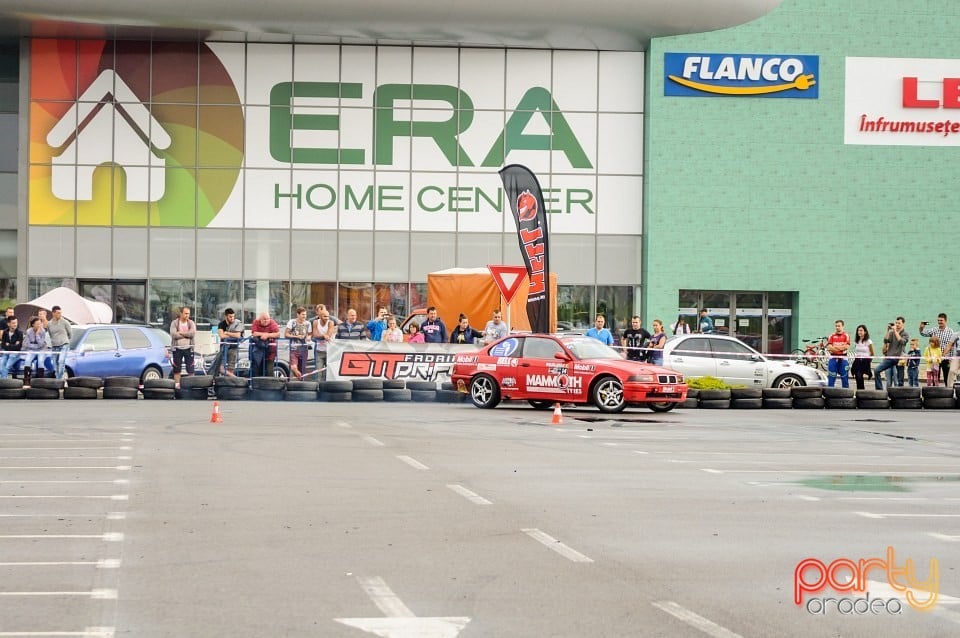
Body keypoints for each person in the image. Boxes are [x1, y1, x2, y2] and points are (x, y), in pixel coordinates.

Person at [919, 314, 954, 386]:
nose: (939, 322)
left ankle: (948, 392)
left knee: (946, 377)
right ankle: (936, 392)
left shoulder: (950, 331)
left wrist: (951, 358)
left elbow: (951, 346)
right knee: (935, 377)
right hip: (935, 359)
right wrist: (921, 328)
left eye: (941, 320)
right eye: (938, 320)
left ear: (945, 321)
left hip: (945, 358)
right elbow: (923, 333)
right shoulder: (934, 330)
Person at [873, 317, 907, 389]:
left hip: (899, 359)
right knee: (876, 370)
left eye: (899, 323)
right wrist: (888, 330)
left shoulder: (905, 333)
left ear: (903, 324)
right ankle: (879, 390)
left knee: (899, 380)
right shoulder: (891, 332)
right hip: (890, 358)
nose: (897, 324)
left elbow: (902, 342)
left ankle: (900, 396)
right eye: (896, 323)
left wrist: (895, 331)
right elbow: (885, 341)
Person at [169, 306, 196, 385]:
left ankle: (191, 386)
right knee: (177, 370)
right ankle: (177, 386)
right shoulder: (174, 323)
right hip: (177, 349)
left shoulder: (191, 323)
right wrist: (187, 334)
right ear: (181, 313)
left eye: (188, 314)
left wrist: (181, 333)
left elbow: (192, 333)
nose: (187, 315)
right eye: (186, 313)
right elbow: (174, 335)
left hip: (189, 348)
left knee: (190, 369)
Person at [44, 305, 72, 380]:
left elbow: (70, 333)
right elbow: (50, 334)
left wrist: (65, 340)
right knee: (55, 364)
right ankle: (58, 378)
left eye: (60, 313)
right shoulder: (49, 324)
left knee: (61, 361)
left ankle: (60, 379)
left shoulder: (65, 322)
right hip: (55, 346)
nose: (60, 314)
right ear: (53, 313)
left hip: (64, 344)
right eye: (58, 313)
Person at [284, 306, 312, 380]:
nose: (304, 316)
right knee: (293, 367)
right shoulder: (292, 322)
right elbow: (286, 334)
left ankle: (300, 384)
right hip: (294, 348)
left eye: (305, 315)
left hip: (304, 349)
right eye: (303, 314)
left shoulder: (308, 323)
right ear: (298, 314)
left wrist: (309, 337)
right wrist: (296, 337)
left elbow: (310, 334)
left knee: (302, 370)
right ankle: (295, 374)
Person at [250, 311, 280, 377]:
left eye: (268, 319)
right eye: (264, 319)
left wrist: (267, 335)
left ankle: (271, 386)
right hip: (258, 350)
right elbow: (254, 333)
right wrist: (269, 335)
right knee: (257, 370)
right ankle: (257, 385)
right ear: (260, 319)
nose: (266, 320)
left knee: (269, 371)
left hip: (270, 351)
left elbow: (277, 334)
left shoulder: (272, 322)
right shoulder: (256, 322)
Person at [217, 308, 244, 376]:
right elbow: (222, 336)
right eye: (230, 316)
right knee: (220, 368)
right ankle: (235, 378)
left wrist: (227, 333)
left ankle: (231, 380)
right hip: (224, 347)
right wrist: (233, 335)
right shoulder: (221, 324)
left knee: (231, 368)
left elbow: (238, 335)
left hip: (233, 347)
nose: (232, 318)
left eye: (233, 316)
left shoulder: (237, 323)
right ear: (226, 316)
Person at [312, 306, 336, 379]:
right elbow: (315, 335)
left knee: (327, 373)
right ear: (320, 316)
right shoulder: (316, 322)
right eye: (325, 316)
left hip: (329, 351)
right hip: (319, 351)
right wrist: (323, 335)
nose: (327, 318)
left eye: (328, 316)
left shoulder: (330, 323)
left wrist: (323, 336)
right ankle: (318, 388)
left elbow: (328, 336)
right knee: (318, 373)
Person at [826, 320, 850, 388]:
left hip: (843, 359)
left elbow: (846, 347)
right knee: (831, 378)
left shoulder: (846, 335)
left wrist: (835, 348)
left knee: (844, 378)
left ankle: (846, 395)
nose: (837, 327)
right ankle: (830, 395)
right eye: (836, 326)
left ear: (843, 326)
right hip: (833, 359)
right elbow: (829, 347)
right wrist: (840, 348)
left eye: (839, 326)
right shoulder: (831, 336)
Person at [850, 324, 874, 390]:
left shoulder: (868, 341)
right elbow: (857, 351)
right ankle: (860, 390)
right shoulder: (856, 341)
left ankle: (869, 373)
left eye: (861, 330)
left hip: (865, 360)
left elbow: (872, 353)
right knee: (858, 375)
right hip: (857, 360)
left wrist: (869, 361)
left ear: (865, 332)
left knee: (863, 373)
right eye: (858, 330)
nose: (859, 332)